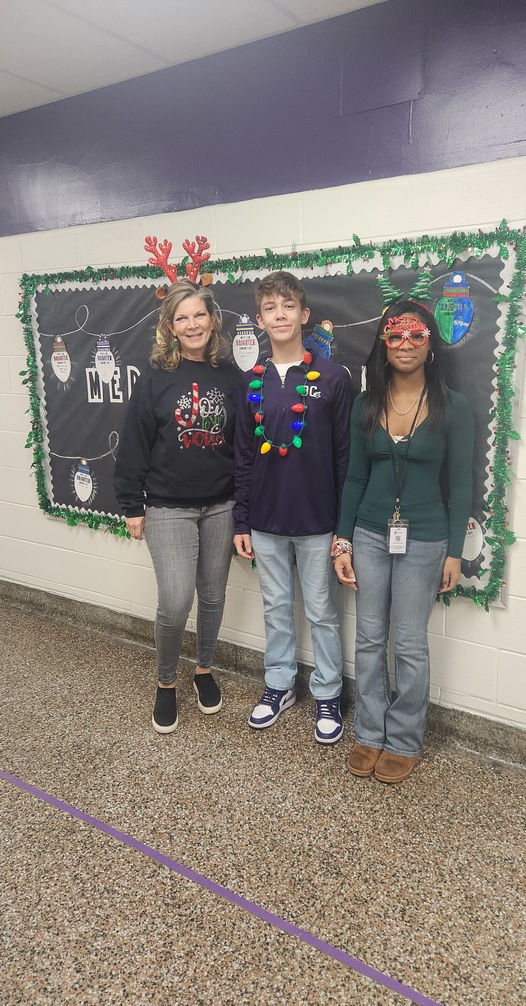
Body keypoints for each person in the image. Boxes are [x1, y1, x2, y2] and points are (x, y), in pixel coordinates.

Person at [333, 299, 474, 783]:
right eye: (395, 335)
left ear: (430, 344)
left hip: (427, 539)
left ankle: (405, 740)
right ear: (383, 344)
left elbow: (460, 487)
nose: (406, 344)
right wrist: (343, 542)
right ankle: (370, 733)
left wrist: (455, 551)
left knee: (410, 644)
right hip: (370, 535)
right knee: (370, 638)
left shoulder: (454, 407)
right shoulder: (364, 404)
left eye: (416, 335)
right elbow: (353, 478)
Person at [114, 279, 244, 734]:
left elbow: (243, 445)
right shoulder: (156, 376)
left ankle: (204, 669)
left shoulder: (230, 375)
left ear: (213, 320)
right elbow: (134, 443)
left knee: (212, 595)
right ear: (170, 326)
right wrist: (132, 504)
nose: (192, 324)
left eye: (199, 315)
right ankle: (166, 681)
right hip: (168, 506)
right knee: (175, 601)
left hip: (221, 505)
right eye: (182, 317)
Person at [233, 271, 353, 745]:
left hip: (317, 521)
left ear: (303, 315)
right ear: (260, 320)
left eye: (288, 306)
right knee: (276, 607)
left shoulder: (333, 376)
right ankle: (279, 683)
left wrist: (343, 528)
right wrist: (241, 519)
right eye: (269, 308)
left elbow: (346, 457)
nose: (279, 315)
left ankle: (328, 692)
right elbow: (243, 457)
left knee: (322, 611)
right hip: (265, 521)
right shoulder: (252, 382)